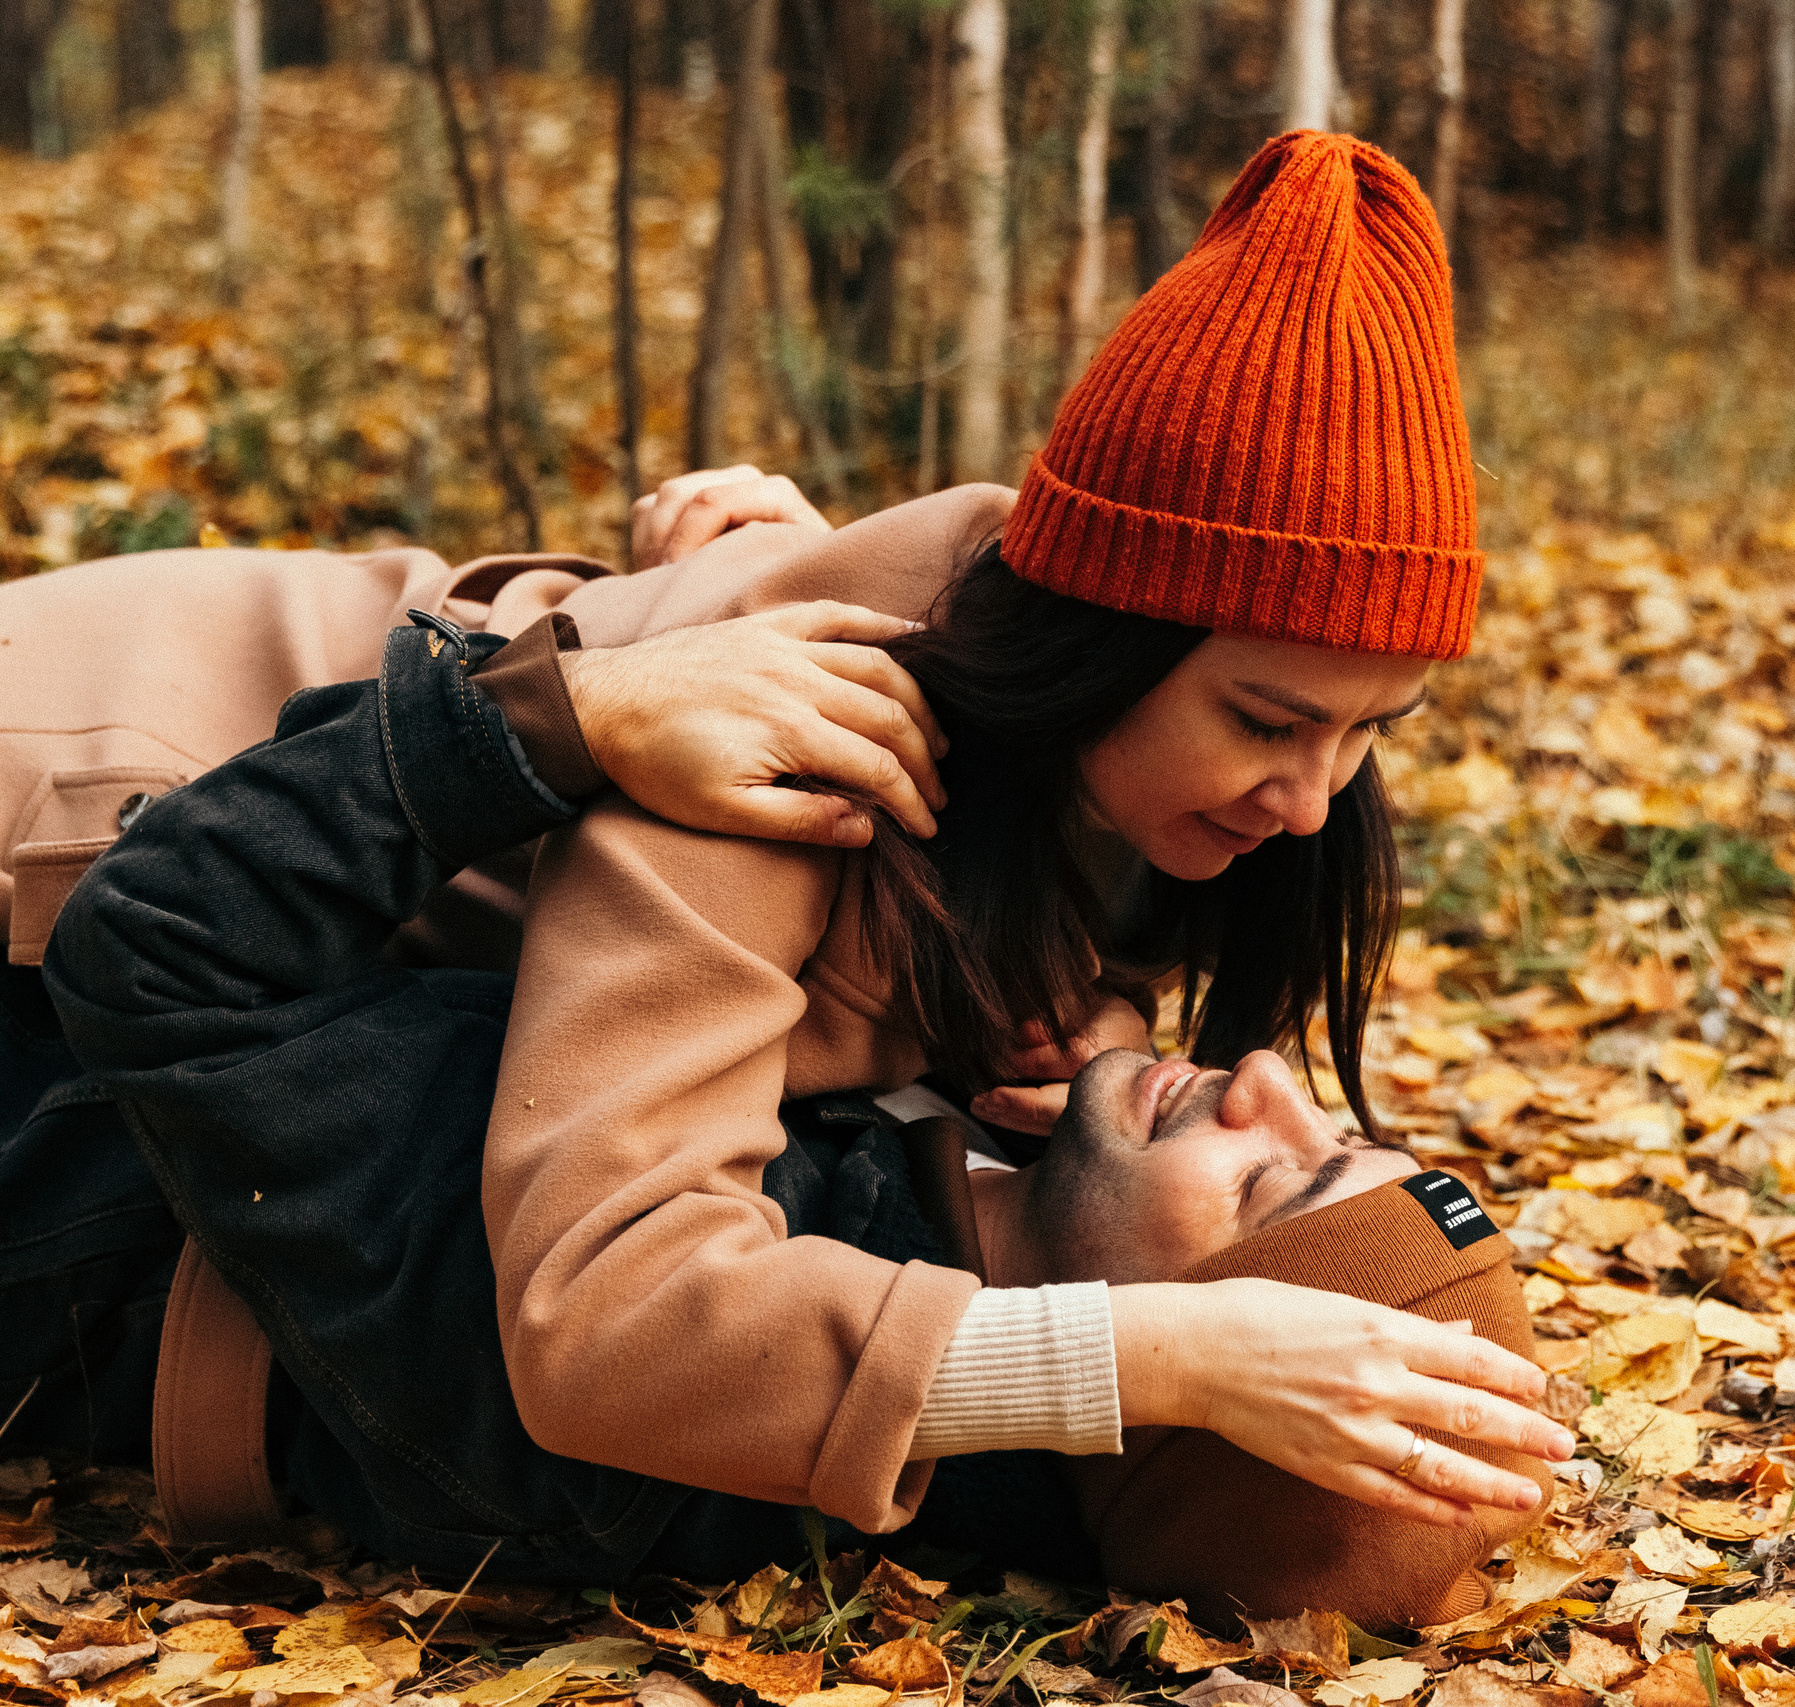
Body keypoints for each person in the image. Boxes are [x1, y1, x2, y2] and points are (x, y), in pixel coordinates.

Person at [10, 128, 1563, 1586]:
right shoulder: (813, 750)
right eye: (1268, 721)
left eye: (1371, 733)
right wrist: (637, 674)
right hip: (90, 797)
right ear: (1097, 645)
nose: (1312, 800)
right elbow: (597, 1303)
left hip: (247, 949)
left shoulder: (1109, 818)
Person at [38, 611, 1552, 1625]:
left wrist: (556, 724)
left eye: (1264, 1190)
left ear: (1154, 1394)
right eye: (1342, 1134)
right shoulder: (994, 1161)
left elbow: (169, 948)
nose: (1269, 1082)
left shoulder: (652, 1438)